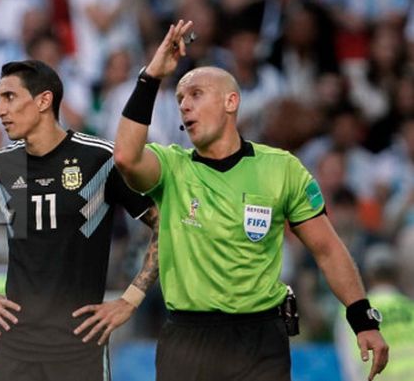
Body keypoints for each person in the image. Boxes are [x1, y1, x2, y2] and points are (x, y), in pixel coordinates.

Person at [113, 19, 389, 381]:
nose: (185, 105)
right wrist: (151, 77)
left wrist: (362, 317)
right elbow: (125, 158)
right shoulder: (172, 167)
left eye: (196, 94)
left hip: (261, 340)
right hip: (188, 337)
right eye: (180, 99)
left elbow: (327, 248)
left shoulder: (281, 168)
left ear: (231, 101)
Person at [0, 59, 160, 381]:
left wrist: (129, 300)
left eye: (9, 97)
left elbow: (162, 224)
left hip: (80, 342)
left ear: (43, 101)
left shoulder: (100, 159)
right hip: (15, 343)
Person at [336, 243, 414, 381]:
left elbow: (348, 362)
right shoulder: (410, 307)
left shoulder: (353, 310)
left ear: (367, 275)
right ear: (396, 273)